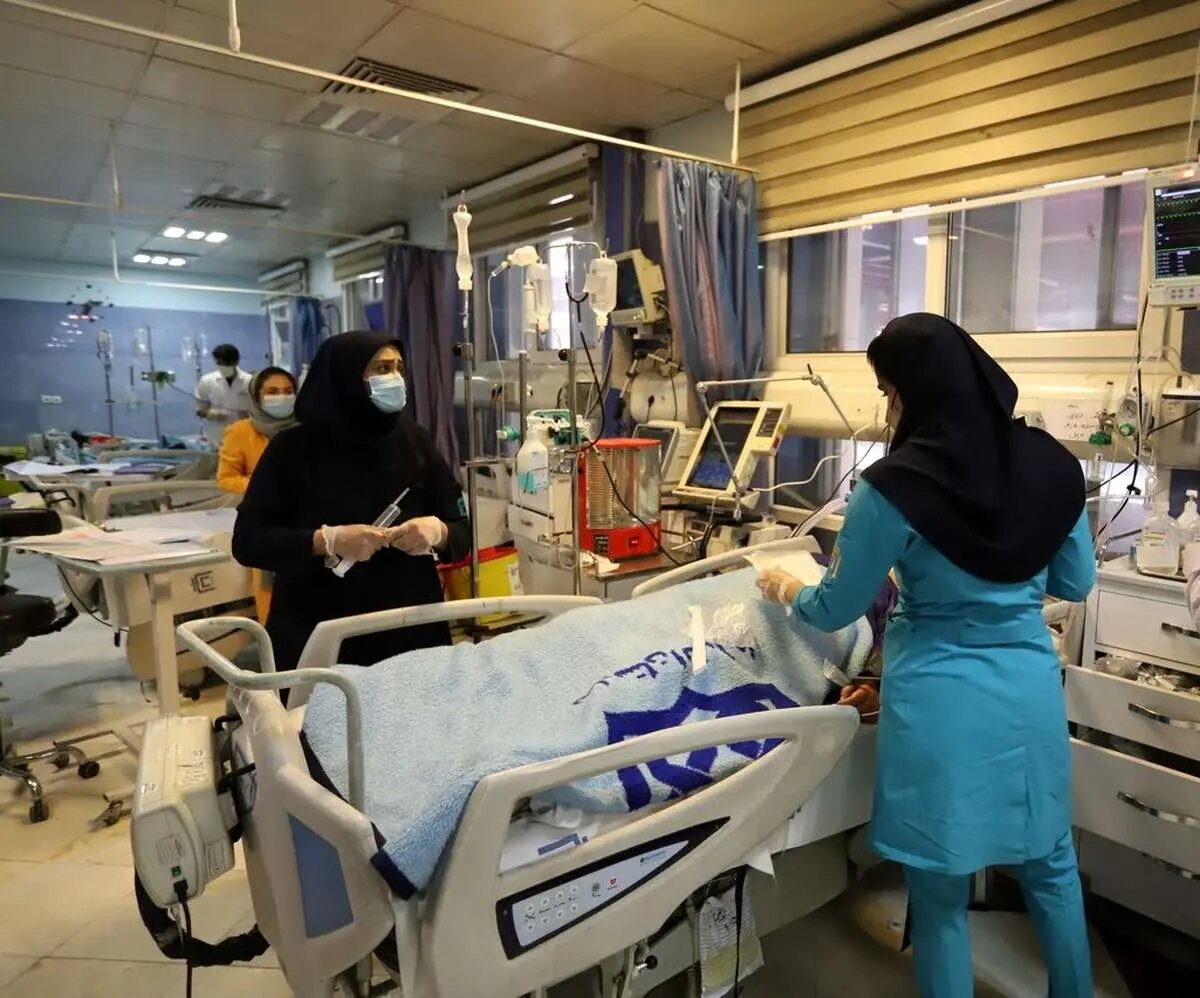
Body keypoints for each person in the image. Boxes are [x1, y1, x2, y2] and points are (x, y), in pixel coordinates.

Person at [757, 314, 1094, 998]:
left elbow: (835, 607)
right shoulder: (1053, 465)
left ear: (915, 392)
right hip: (1027, 699)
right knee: (1052, 868)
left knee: (940, 896)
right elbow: (1075, 581)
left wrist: (786, 586)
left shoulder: (892, 488)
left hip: (940, 707)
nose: (888, 409)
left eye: (889, 392)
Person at [232, 332, 470, 672]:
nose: (395, 379)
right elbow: (248, 541)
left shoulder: (414, 440)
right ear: (345, 376)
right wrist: (327, 541)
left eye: (399, 368)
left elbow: (461, 531)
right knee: (322, 706)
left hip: (409, 630)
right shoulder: (292, 450)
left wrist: (438, 532)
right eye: (382, 369)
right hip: (319, 631)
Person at [217, 366, 298, 621]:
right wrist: (266, 487)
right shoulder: (241, 432)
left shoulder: (306, 429)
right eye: (272, 392)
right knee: (271, 606)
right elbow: (226, 479)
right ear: (257, 396)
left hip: (306, 522)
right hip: (266, 523)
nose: (281, 397)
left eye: (288, 391)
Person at [195, 343, 253, 439]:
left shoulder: (249, 381)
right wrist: (210, 414)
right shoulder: (207, 381)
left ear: (236, 362)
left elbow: (258, 410)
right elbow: (199, 411)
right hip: (217, 435)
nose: (224, 367)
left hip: (244, 434)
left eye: (227, 364)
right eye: (220, 363)